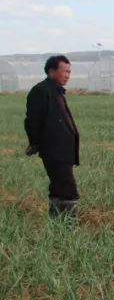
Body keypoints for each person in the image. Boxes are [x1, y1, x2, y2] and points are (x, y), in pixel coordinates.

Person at [24, 55, 80, 221]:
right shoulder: (41, 91)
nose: (68, 75)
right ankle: (69, 226)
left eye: (70, 72)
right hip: (54, 150)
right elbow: (32, 120)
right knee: (68, 189)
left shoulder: (55, 91)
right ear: (51, 71)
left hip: (62, 150)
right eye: (65, 71)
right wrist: (34, 142)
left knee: (57, 187)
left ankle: (56, 223)